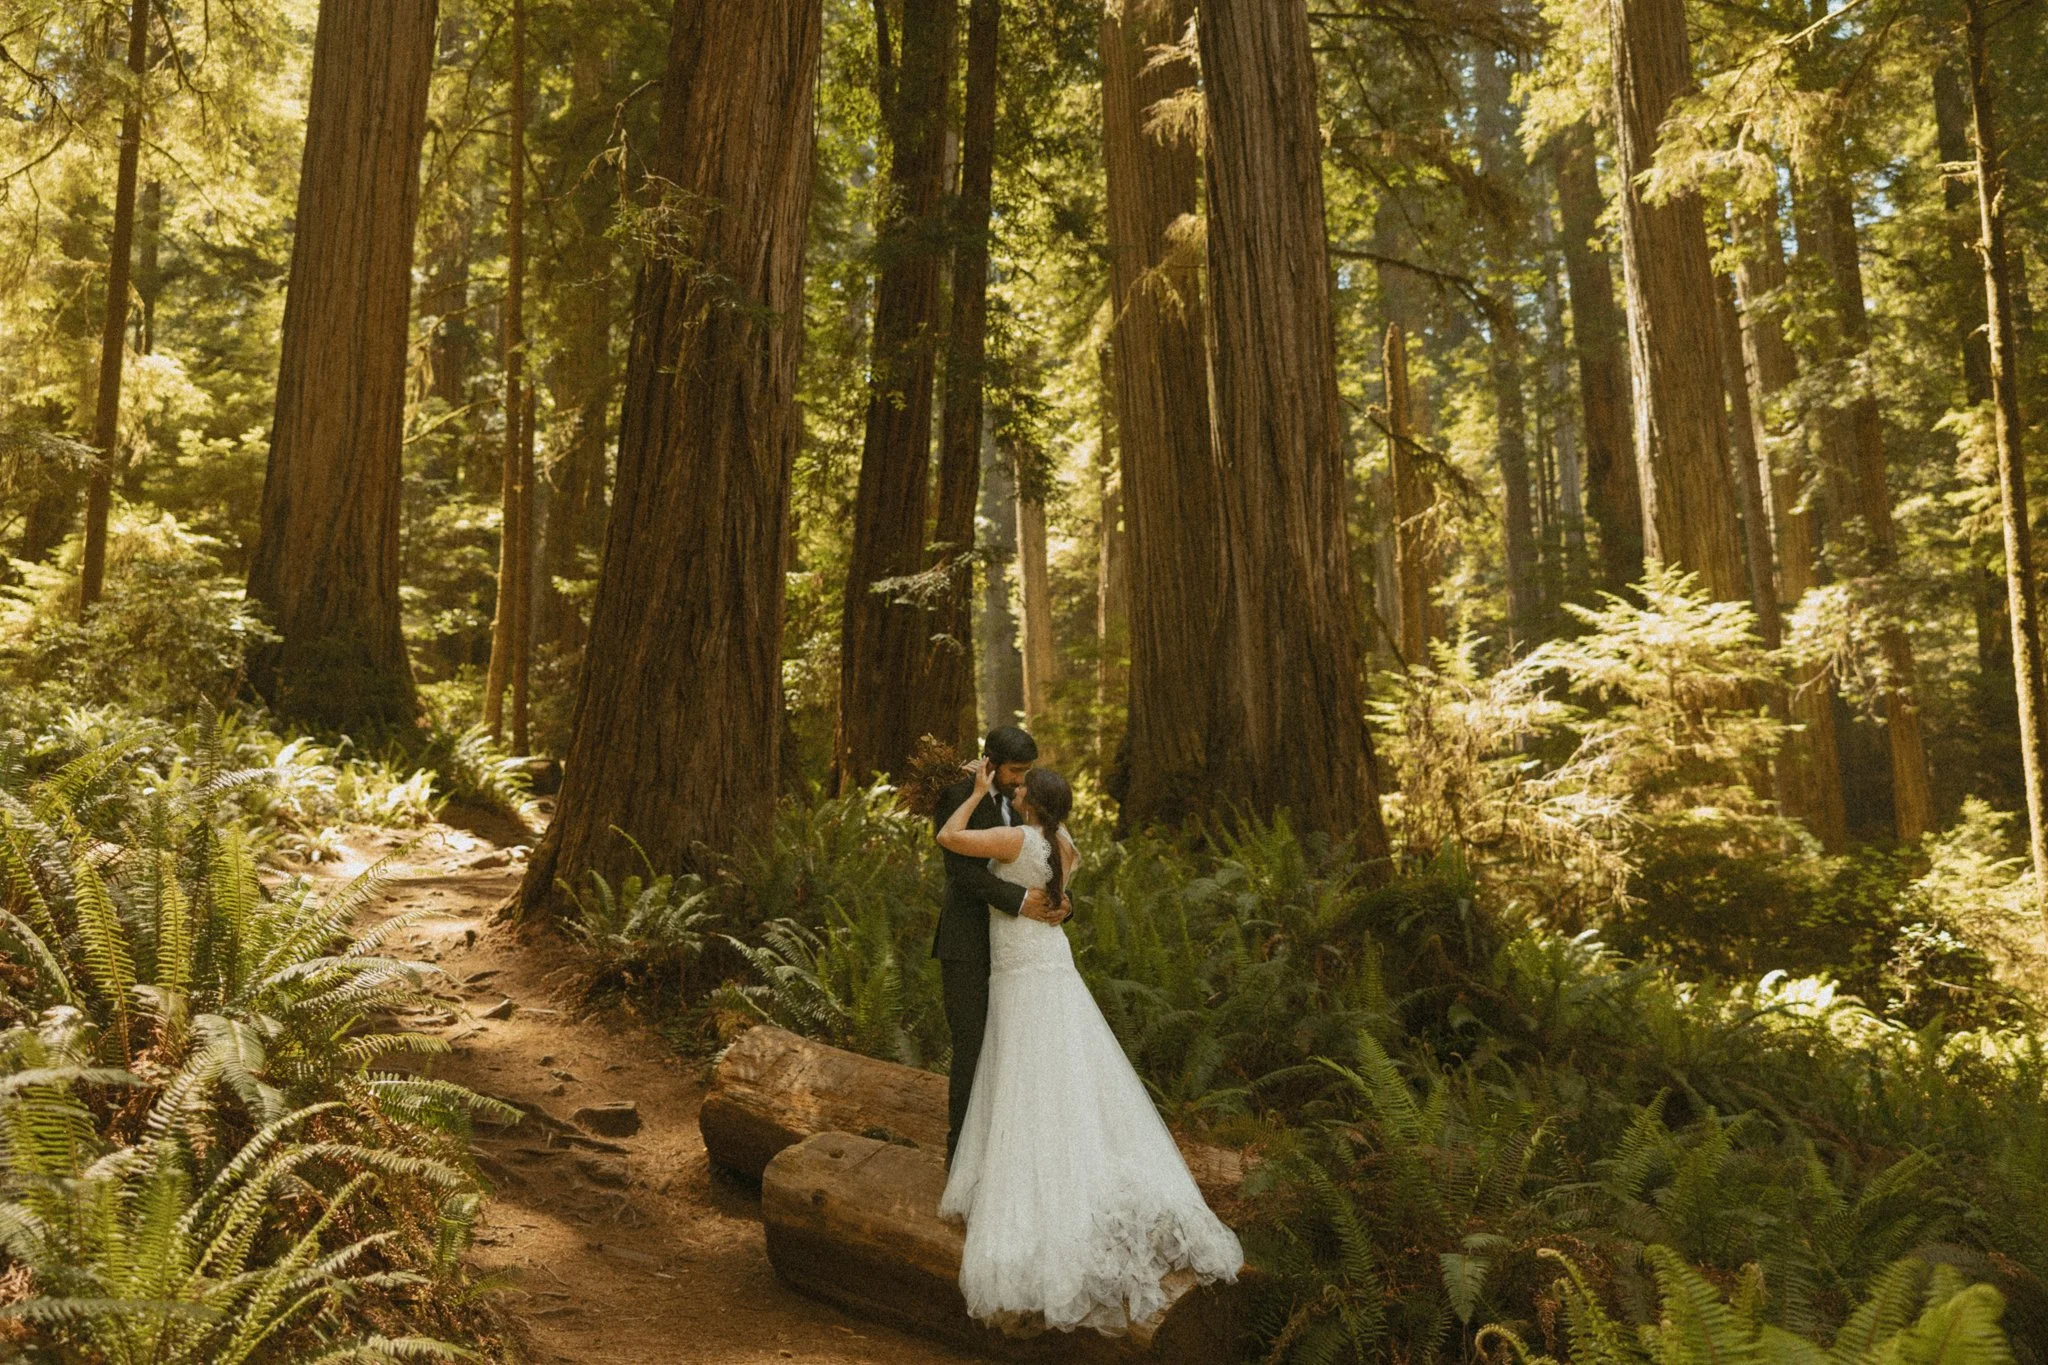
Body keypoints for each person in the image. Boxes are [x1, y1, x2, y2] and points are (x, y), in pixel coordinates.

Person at [933, 754, 1243, 1334]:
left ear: (1030, 802)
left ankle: (1035, 1171)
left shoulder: (1012, 838)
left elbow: (949, 837)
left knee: (1021, 1062)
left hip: (1020, 964)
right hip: (1049, 959)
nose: (1016, 788)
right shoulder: (1065, 843)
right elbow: (1060, 894)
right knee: (1065, 1061)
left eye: (1023, 787)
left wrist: (975, 791)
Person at [929, 725, 1069, 1169]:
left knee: (1012, 1054)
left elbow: (1045, 862)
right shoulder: (957, 796)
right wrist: (1019, 901)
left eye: (1025, 773)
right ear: (990, 762)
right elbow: (961, 873)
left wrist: (1063, 903)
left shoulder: (1023, 804)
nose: (1019, 780)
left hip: (1018, 951)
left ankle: (1009, 1159)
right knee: (972, 1051)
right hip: (968, 945)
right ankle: (960, 1163)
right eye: (1014, 771)